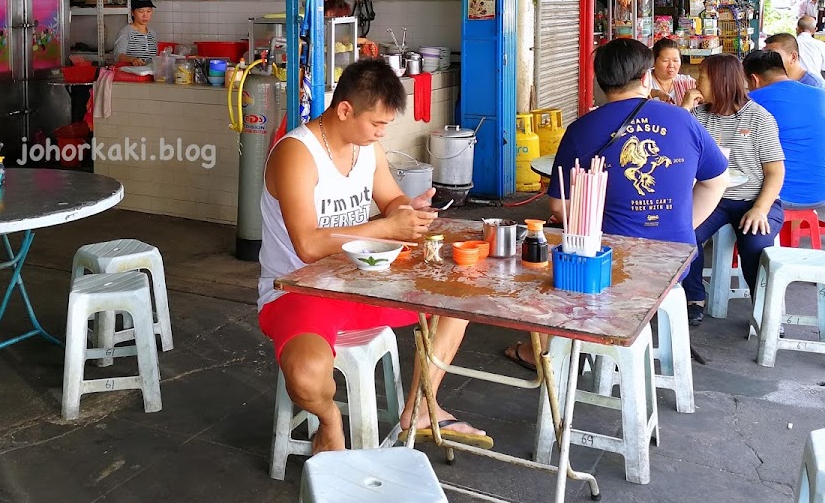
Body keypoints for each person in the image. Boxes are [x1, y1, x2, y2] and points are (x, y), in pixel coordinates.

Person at [258, 58, 491, 454]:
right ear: (345, 110)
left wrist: (405, 210)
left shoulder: (367, 148)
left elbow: (390, 198)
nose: (381, 134)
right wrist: (385, 228)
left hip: (362, 282)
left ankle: (419, 407)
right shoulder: (297, 153)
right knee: (306, 377)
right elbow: (309, 246)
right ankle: (329, 421)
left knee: (461, 297)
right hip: (298, 292)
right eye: (377, 124)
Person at [504, 39, 728, 369]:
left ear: (600, 82)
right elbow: (716, 181)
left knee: (545, 261)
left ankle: (549, 350)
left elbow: (557, 206)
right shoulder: (684, 121)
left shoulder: (582, 129)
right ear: (646, 77)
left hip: (609, 263)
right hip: (674, 262)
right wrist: (678, 224)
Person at [683, 54, 785, 325]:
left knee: (755, 245)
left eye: (702, 75)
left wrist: (761, 209)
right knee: (683, 235)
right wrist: (684, 108)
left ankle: (765, 310)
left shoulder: (759, 118)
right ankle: (694, 298)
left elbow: (775, 172)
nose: (696, 81)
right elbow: (676, 147)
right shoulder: (698, 116)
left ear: (720, 81)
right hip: (711, 199)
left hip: (752, 199)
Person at [743, 50, 825, 209]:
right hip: (822, 192)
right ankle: (789, 232)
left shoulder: (755, 100)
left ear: (754, 79)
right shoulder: (823, 95)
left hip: (778, 195)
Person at [642, 38, 700, 107]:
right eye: (665, 61)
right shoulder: (644, 79)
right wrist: (657, 93)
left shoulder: (687, 82)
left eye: (675, 61)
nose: (671, 65)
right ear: (654, 61)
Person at [113, 0, 157, 66]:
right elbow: (117, 55)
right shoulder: (126, 32)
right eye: (141, 11)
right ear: (132, 13)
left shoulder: (153, 34)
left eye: (148, 11)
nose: (145, 15)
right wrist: (132, 59)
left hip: (148, 75)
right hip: (130, 75)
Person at [796, 16, 825, 80]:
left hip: (793, 83)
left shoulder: (789, 45)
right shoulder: (823, 46)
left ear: (797, 29)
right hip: (815, 83)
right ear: (815, 29)